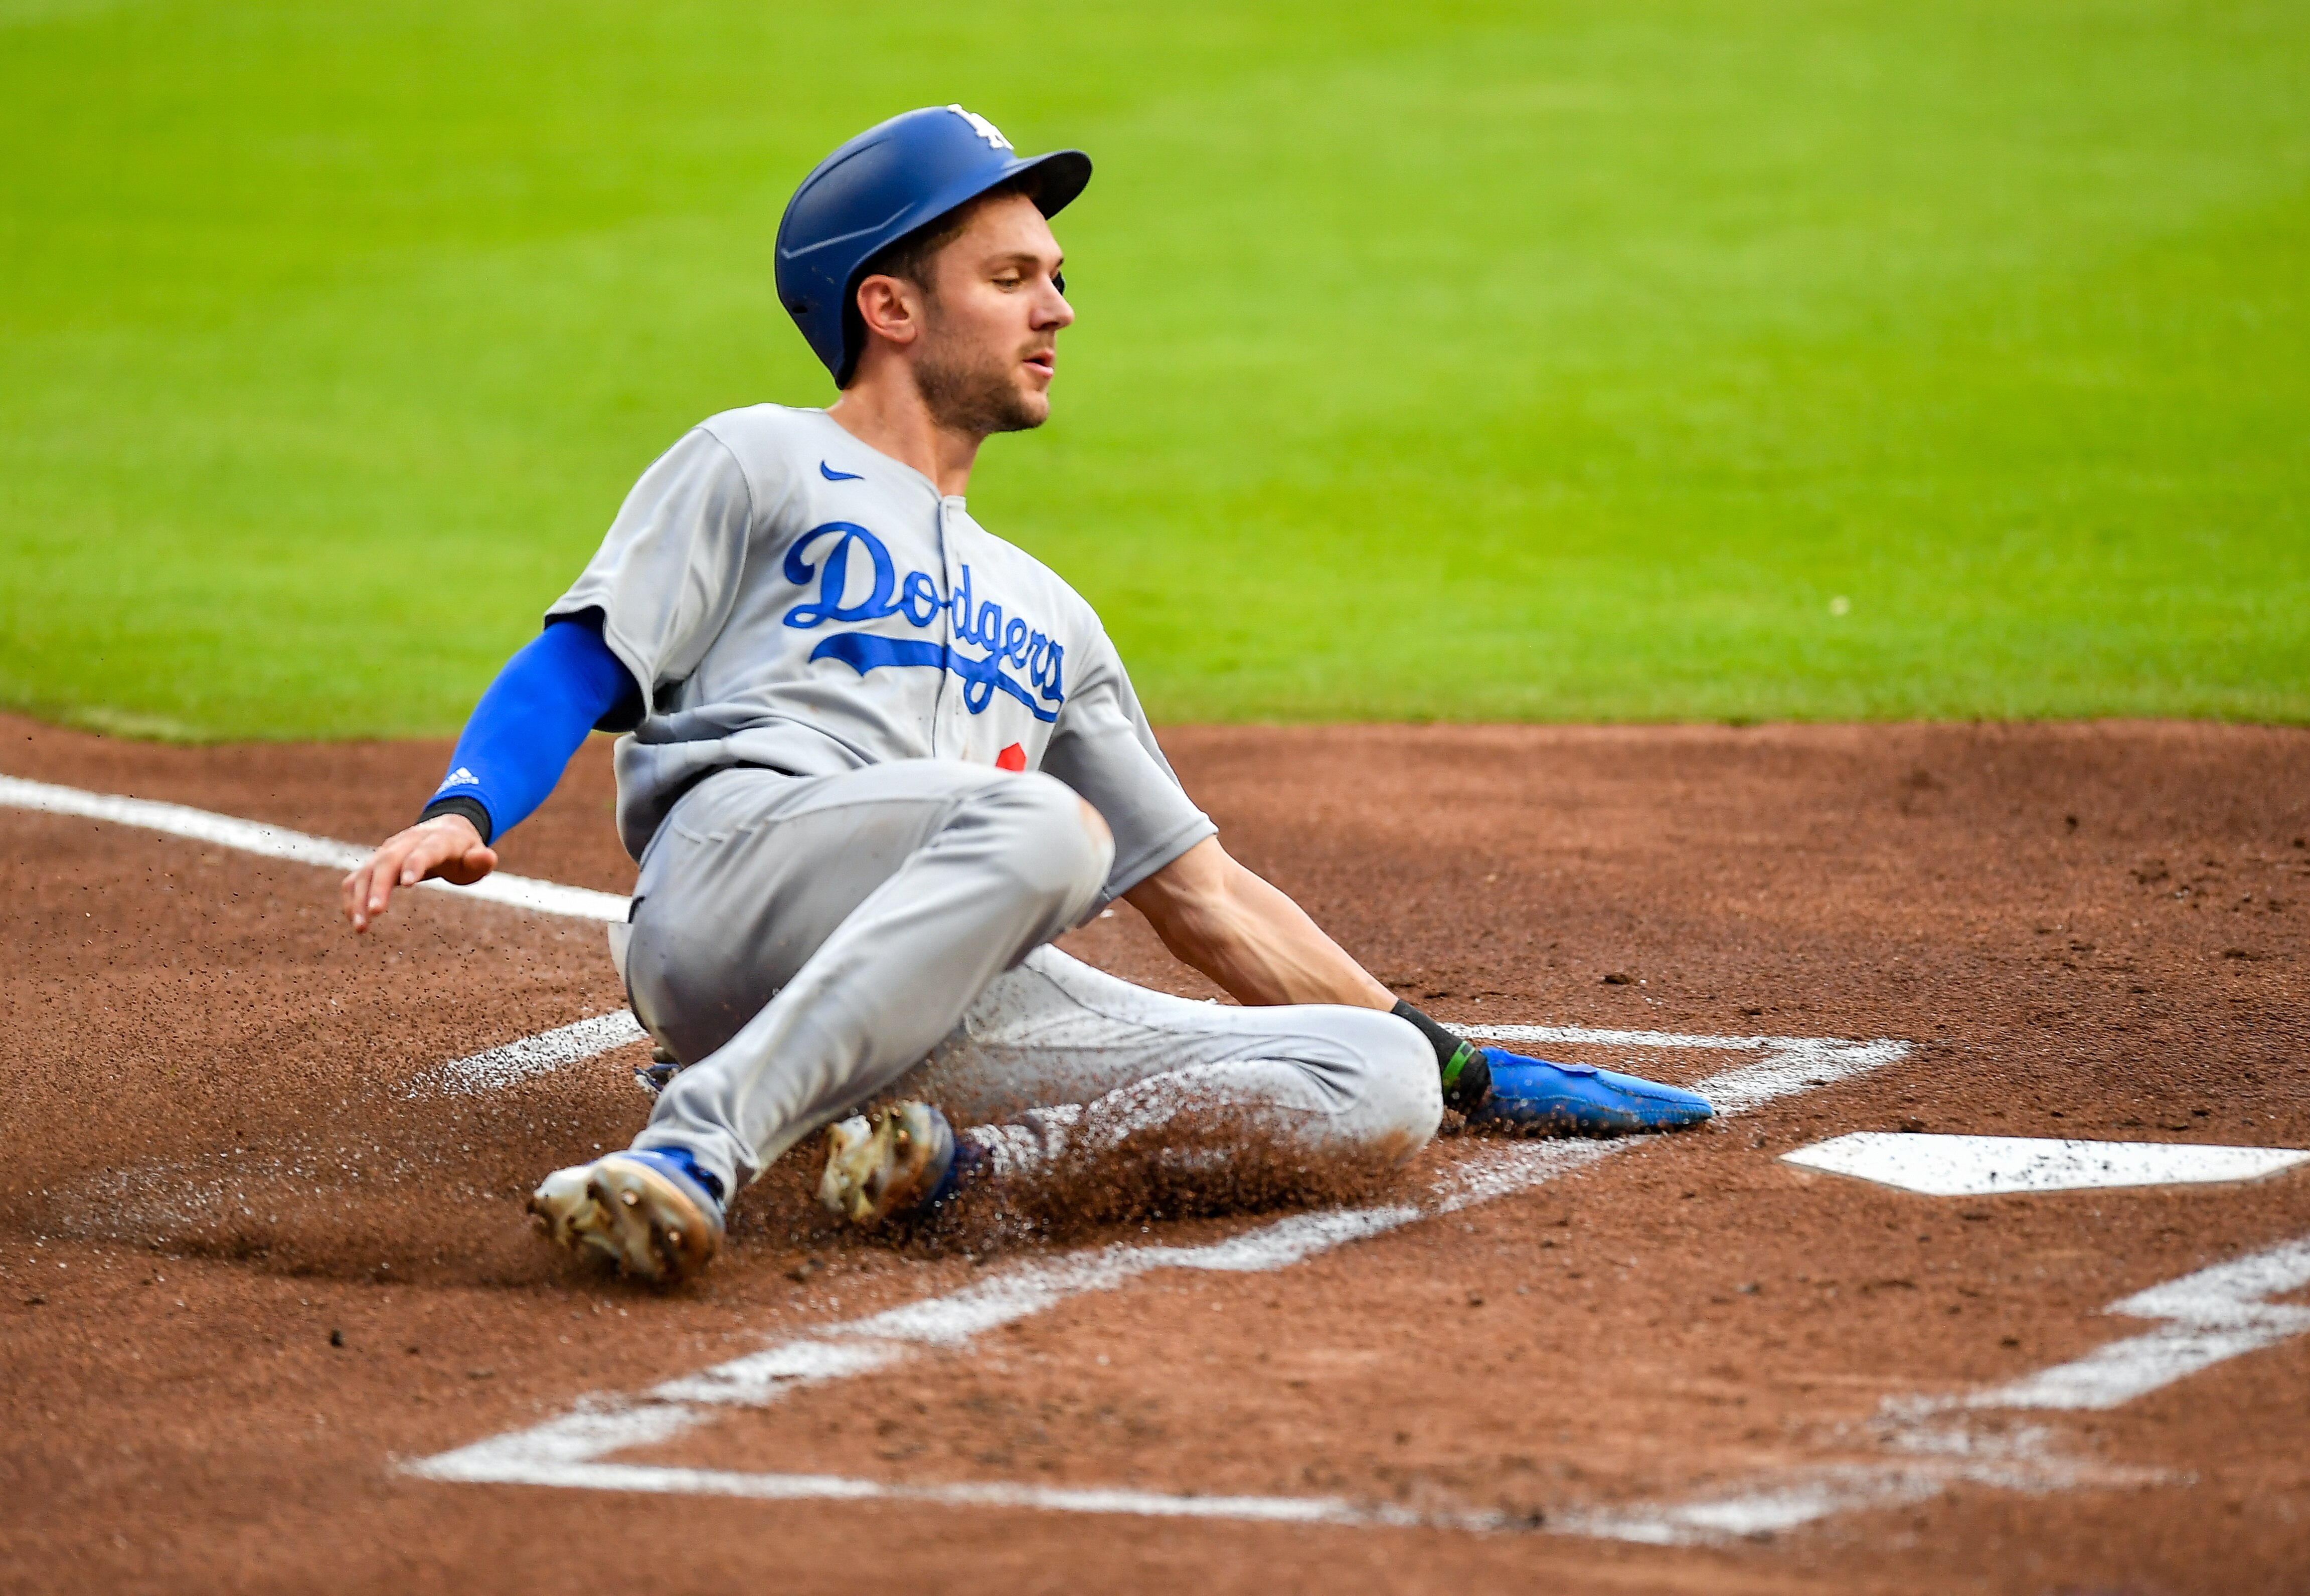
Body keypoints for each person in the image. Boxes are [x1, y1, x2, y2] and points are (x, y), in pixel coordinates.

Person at [339, 105, 1712, 1285]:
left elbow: (1207, 903)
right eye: (1013, 276)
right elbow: (588, 651)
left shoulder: (1054, 612)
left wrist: (1456, 1059)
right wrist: (470, 799)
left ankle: (952, 1172)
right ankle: (695, 1145)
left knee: (1373, 1084)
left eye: (1057, 276)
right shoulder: (757, 459)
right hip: (743, 888)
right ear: (891, 307)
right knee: (1048, 830)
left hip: (949, 1001)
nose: (1059, 309)